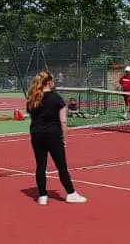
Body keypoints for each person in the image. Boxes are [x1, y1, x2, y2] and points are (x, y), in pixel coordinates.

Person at [25, 70, 86, 205]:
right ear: (50, 82)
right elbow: (63, 122)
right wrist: (64, 138)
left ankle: (42, 196)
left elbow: (32, 117)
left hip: (36, 135)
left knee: (41, 165)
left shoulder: (33, 98)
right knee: (61, 166)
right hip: (53, 135)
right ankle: (71, 193)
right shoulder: (56, 98)